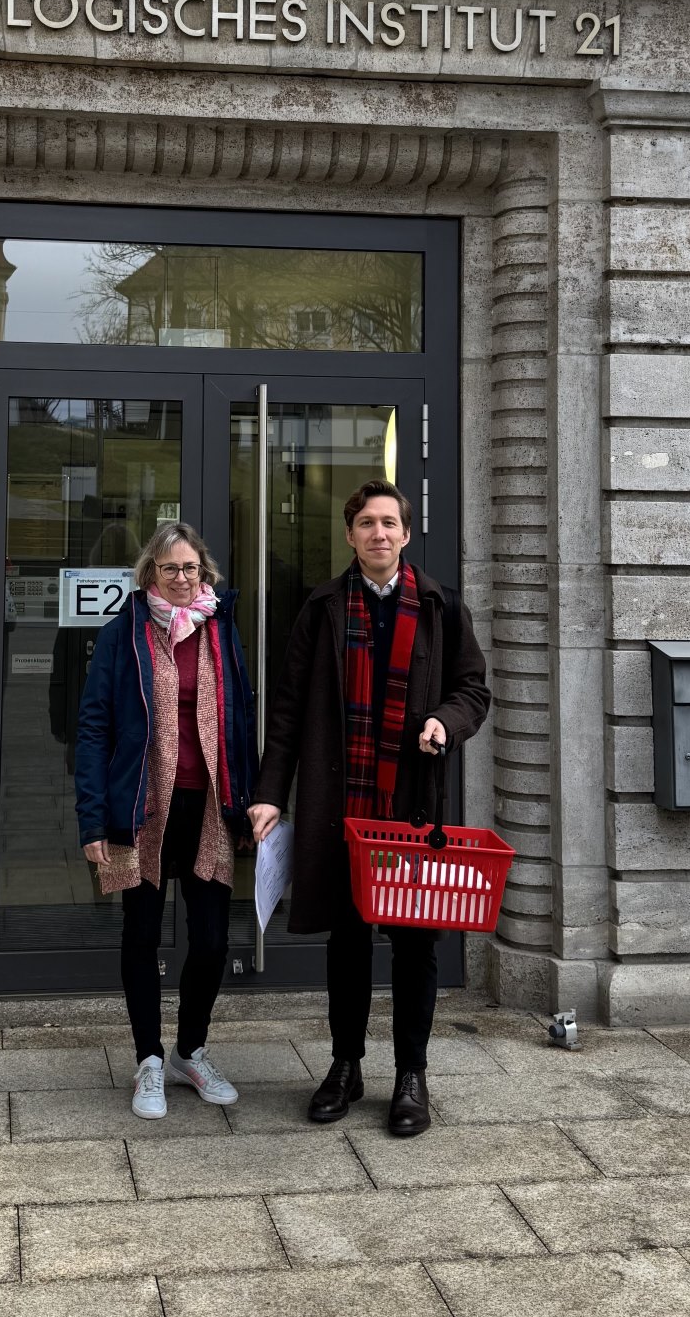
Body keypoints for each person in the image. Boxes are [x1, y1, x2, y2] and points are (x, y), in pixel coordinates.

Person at [248, 479, 491, 1138]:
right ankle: (346, 1065)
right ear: (351, 534)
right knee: (348, 942)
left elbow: (474, 687)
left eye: (389, 523)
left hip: (411, 805)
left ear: (406, 534)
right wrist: (271, 791)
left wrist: (445, 720)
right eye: (366, 523)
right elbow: (289, 709)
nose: (378, 533)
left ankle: (411, 1073)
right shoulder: (322, 607)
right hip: (343, 804)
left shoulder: (441, 605)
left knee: (416, 943)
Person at [74, 520, 257, 1120]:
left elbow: (241, 720)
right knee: (143, 934)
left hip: (206, 806)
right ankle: (148, 1060)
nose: (182, 579)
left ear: (205, 574)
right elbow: (94, 729)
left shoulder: (222, 631)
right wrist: (93, 820)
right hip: (143, 807)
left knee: (211, 940)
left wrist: (251, 798)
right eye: (170, 568)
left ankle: (189, 1052)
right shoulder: (120, 636)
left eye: (192, 569)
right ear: (150, 573)